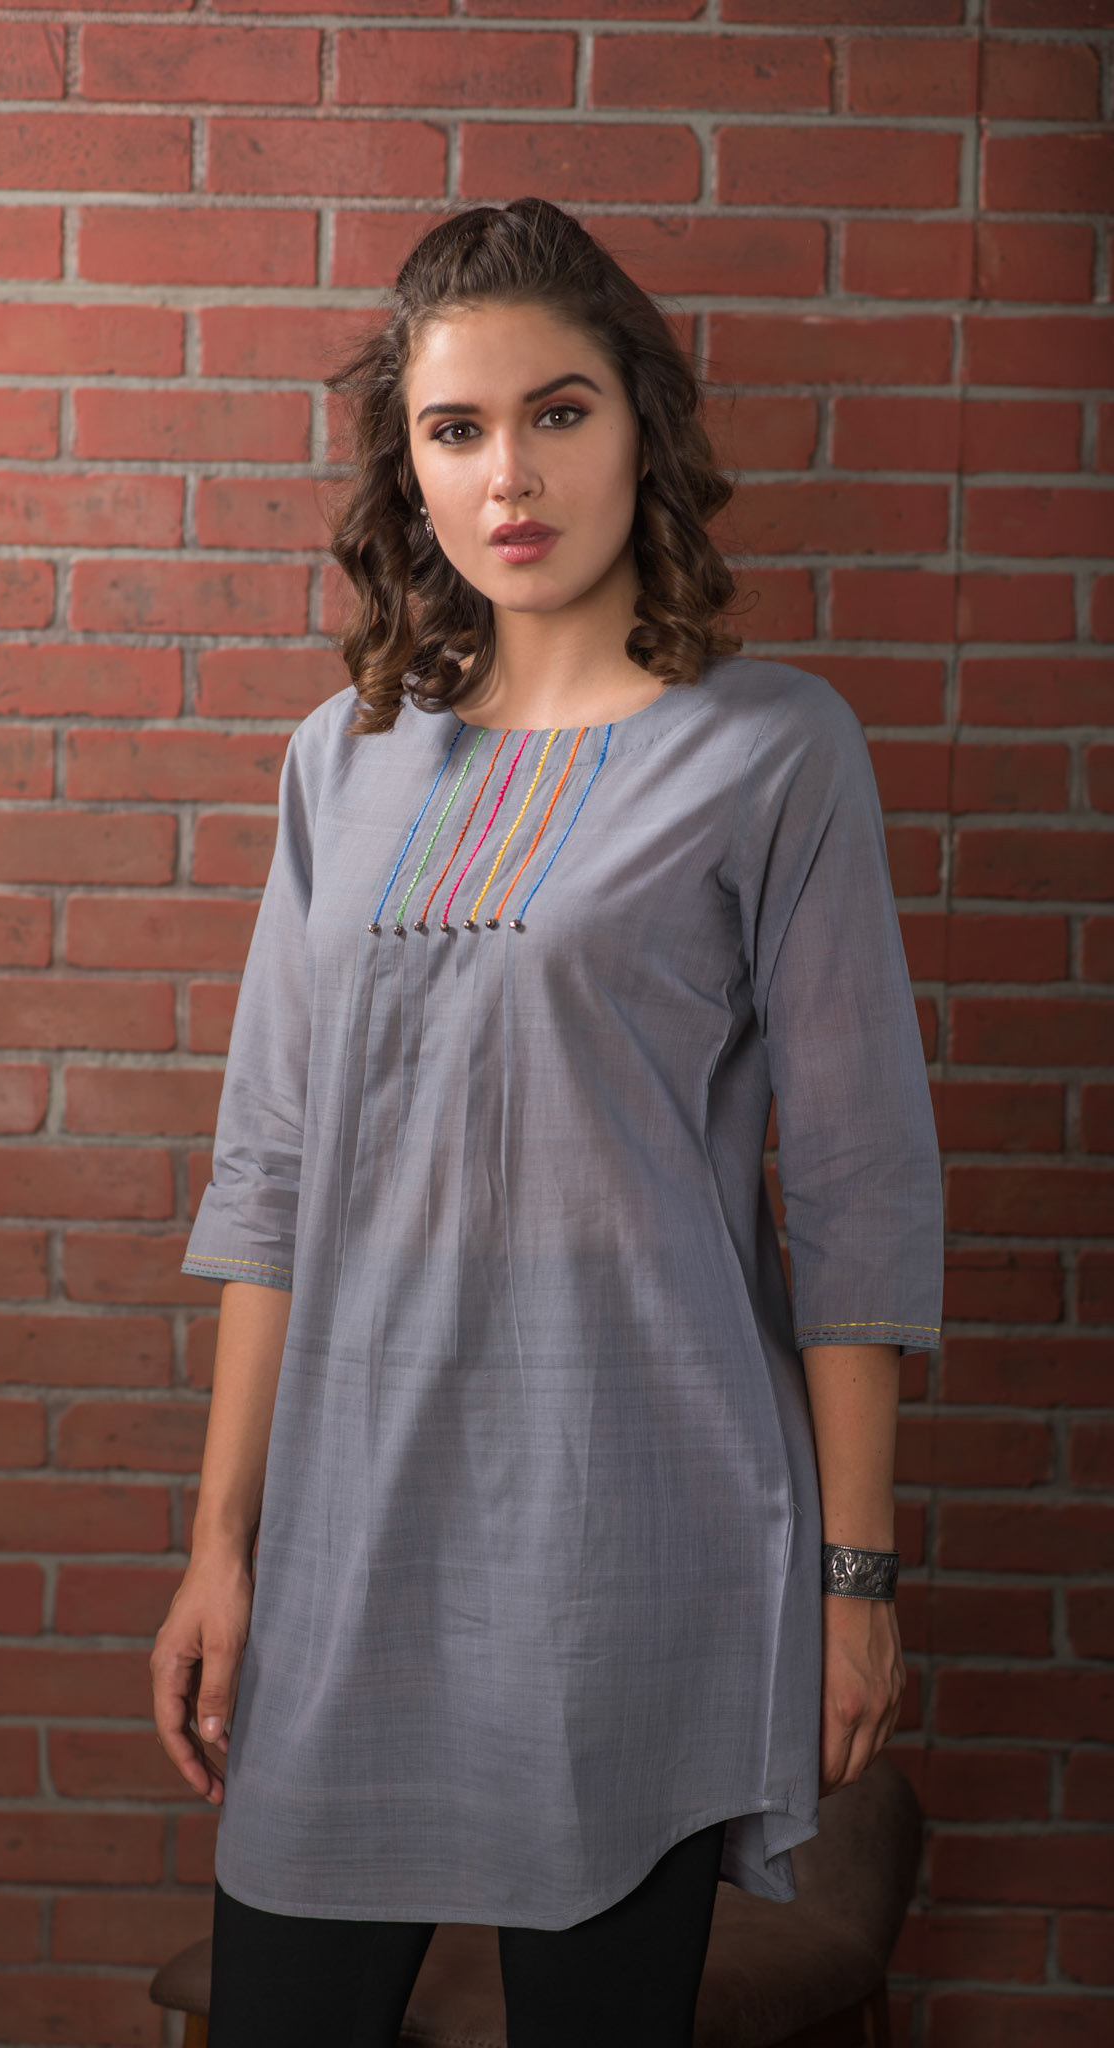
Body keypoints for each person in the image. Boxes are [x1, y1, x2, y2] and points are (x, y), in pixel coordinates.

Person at [150, 196, 944, 2048]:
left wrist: (856, 1579)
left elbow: (856, 1190)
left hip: (641, 1536)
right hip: (352, 1538)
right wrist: (221, 1547)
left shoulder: (773, 751)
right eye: (457, 429)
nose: (510, 475)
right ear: (408, 470)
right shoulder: (341, 759)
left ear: (641, 428)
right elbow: (272, 1172)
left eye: (558, 413)